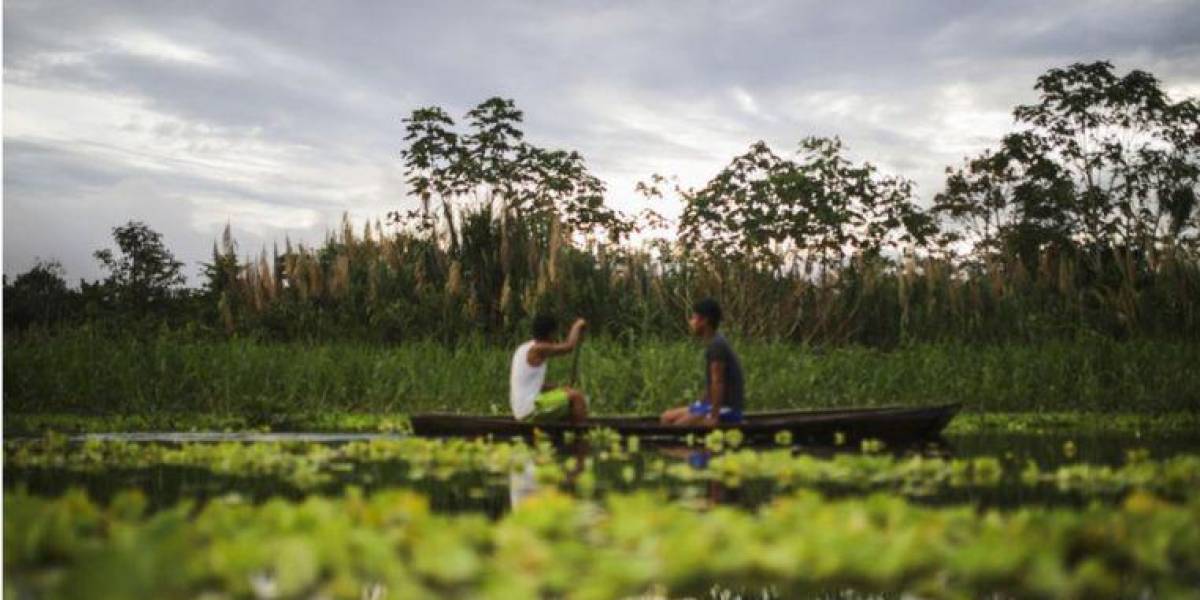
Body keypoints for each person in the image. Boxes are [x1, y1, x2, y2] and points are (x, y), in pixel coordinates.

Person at [660, 298, 745, 426]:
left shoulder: (717, 346)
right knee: (666, 417)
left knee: (678, 426)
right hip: (711, 405)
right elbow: (712, 385)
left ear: (704, 321)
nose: (691, 322)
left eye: (694, 318)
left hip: (728, 409)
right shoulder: (714, 342)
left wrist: (713, 417)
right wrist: (698, 405)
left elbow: (718, 382)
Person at [510, 314, 589, 424]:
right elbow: (568, 347)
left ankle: (564, 431)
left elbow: (532, 385)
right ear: (551, 333)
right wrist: (577, 325)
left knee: (568, 393)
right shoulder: (538, 349)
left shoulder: (524, 348)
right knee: (577, 397)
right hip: (530, 410)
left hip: (521, 410)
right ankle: (579, 437)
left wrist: (558, 388)